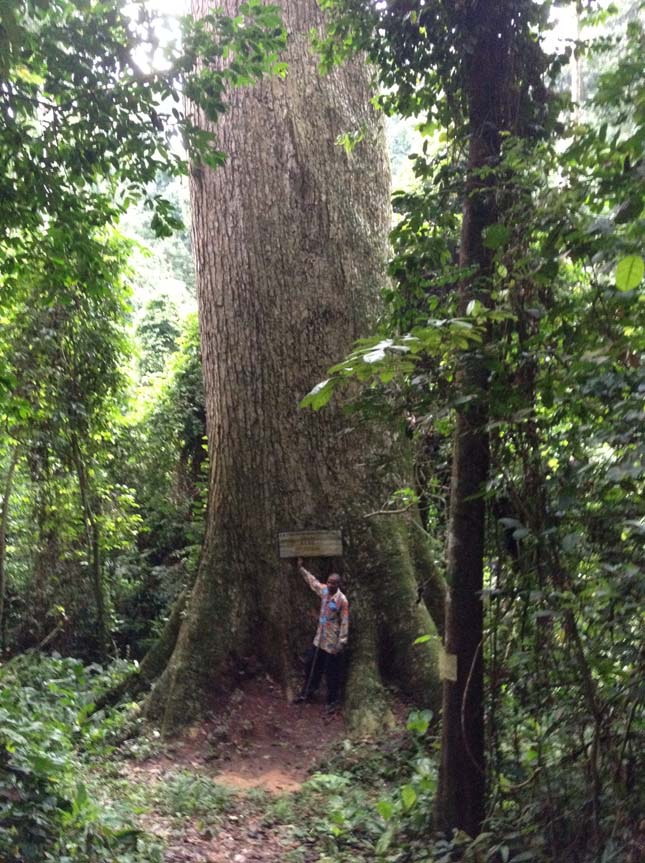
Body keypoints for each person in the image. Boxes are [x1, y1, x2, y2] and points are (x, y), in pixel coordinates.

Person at [294, 556, 349, 713]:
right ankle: (308, 691)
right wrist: (301, 569)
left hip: (332, 640)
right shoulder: (324, 591)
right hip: (320, 637)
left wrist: (342, 642)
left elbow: (345, 621)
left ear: (339, 584)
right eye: (329, 582)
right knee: (311, 663)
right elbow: (313, 582)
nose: (330, 585)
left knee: (332, 671)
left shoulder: (342, 601)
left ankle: (333, 700)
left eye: (334, 583)